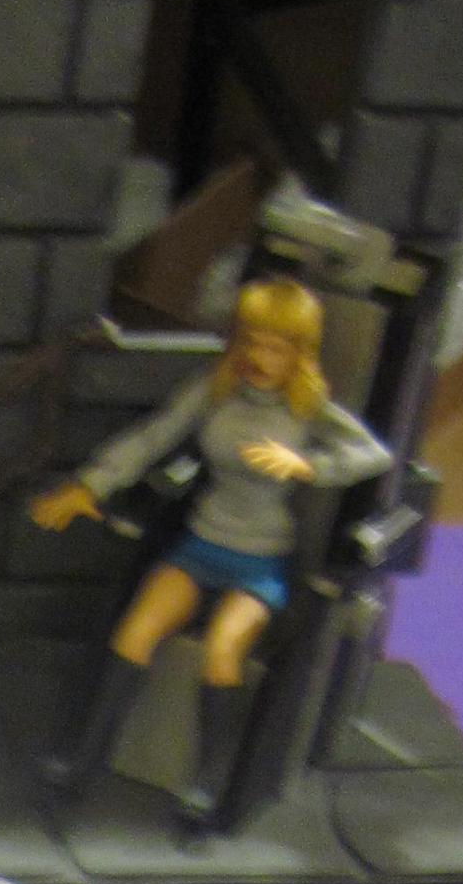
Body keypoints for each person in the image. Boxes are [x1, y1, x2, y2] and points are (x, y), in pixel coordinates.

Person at [29, 276, 393, 814]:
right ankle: (80, 760)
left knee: (223, 653)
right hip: (200, 546)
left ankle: (209, 780)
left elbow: (373, 455)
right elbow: (153, 436)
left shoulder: (307, 409)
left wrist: (308, 465)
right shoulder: (215, 391)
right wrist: (90, 484)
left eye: (276, 347)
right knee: (135, 633)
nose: (260, 358)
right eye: (252, 342)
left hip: (259, 561)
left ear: (299, 352)